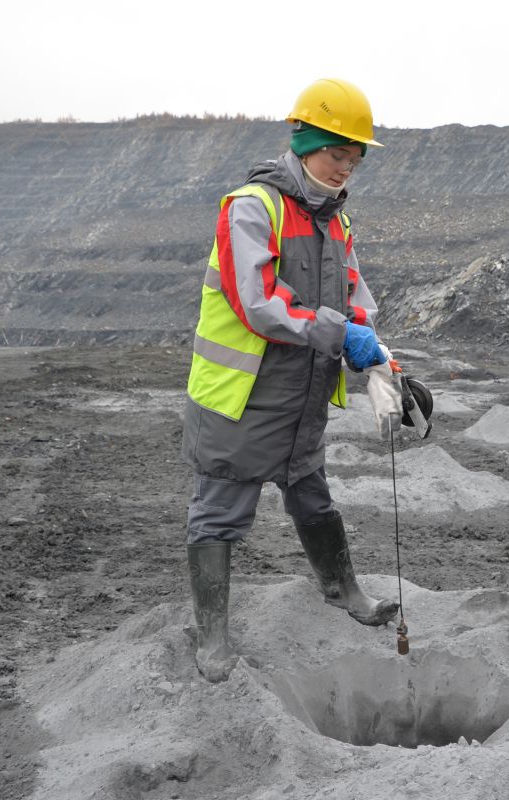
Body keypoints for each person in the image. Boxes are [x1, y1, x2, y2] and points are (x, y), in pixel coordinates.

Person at [180, 78, 403, 682]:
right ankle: (213, 637)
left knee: (312, 494)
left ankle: (343, 591)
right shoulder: (252, 207)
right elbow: (257, 301)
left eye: (354, 159)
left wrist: (378, 354)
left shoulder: (338, 221)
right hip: (243, 395)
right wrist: (340, 333)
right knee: (220, 508)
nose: (345, 169)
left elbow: (356, 297)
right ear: (304, 142)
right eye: (337, 154)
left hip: (302, 395)